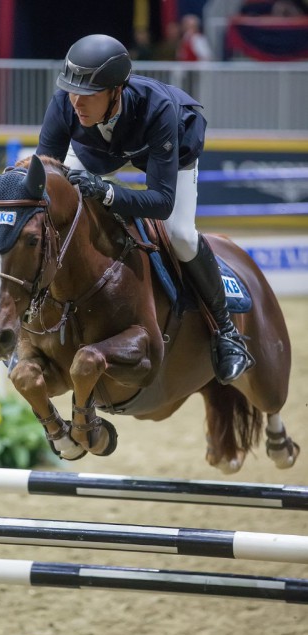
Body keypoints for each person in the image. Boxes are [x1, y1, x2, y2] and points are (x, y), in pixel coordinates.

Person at [36, 34, 254, 385]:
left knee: (180, 235)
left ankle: (226, 332)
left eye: (88, 94)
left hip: (171, 148)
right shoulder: (66, 103)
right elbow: (42, 175)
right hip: (99, 150)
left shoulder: (159, 110)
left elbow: (161, 202)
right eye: (72, 90)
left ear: (117, 90)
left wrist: (107, 193)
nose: (76, 101)